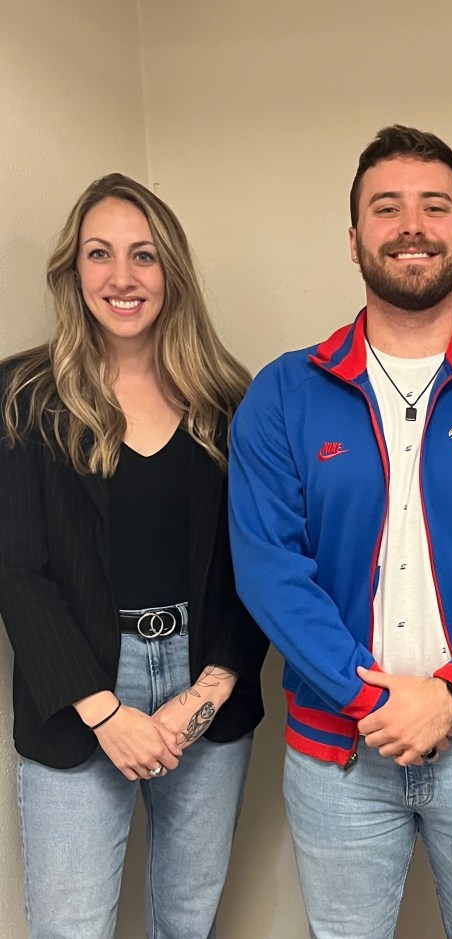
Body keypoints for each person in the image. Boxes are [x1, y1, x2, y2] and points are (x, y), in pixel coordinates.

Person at [228, 125, 452, 939]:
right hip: (339, 757)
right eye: (386, 206)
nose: (412, 225)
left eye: (435, 205)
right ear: (354, 236)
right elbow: (270, 569)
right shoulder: (283, 393)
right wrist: (373, 699)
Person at [0, 173, 268, 939]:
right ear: (73, 270)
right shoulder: (23, 396)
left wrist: (206, 692)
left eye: (143, 255)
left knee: (187, 920)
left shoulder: (230, 400)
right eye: (100, 254)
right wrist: (106, 713)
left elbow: (259, 565)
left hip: (205, 683)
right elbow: (16, 570)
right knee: (71, 926)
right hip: (79, 689)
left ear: (170, 270)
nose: (122, 277)